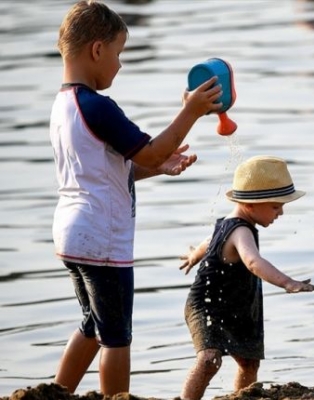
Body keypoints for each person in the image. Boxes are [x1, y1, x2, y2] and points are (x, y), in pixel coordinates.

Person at [50, 0, 222, 396]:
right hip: (102, 237)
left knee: (92, 324)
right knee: (116, 336)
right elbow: (150, 150)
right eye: (118, 54)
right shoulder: (99, 106)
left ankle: (56, 393)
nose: (120, 65)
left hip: (71, 233)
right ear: (97, 50)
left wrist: (157, 167)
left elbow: (109, 168)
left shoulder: (64, 105)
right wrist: (191, 112)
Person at [178, 155, 314, 400]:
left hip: (236, 306)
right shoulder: (241, 230)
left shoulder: (229, 224)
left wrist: (195, 255)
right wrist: (288, 283)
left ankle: (241, 397)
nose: (281, 213)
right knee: (209, 359)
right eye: (276, 206)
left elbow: (208, 242)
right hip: (207, 306)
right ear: (251, 205)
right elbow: (253, 262)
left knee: (249, 361)